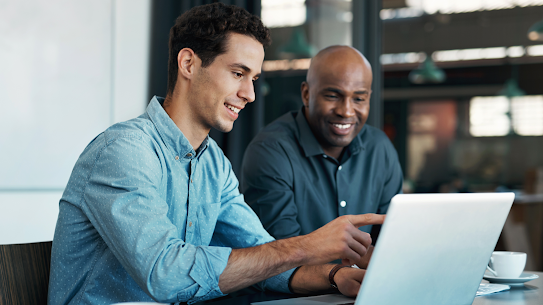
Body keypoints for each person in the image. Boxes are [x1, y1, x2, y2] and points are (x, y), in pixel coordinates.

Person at [48, 4, 384, 305]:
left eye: (253, 79)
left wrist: (334, 276)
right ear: (189, 63)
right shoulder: (124, 151)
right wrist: (307, 245)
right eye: (238, 73)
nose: (249, 93)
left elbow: (264, 261)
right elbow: (166, 275)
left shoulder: (213, 165)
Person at [241, 46, 403, 262]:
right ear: (307, 94)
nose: (346, 111)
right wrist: (342, 274)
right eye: (333, 96)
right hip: (291, 295)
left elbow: (392, 242)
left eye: (359, 99)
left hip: (364, 290)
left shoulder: (379, 148)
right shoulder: (270, 150)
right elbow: (279, 255)